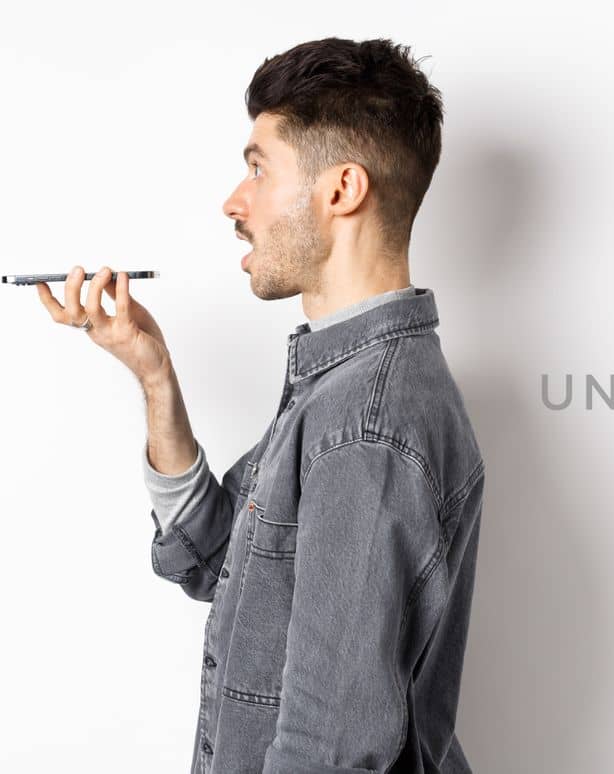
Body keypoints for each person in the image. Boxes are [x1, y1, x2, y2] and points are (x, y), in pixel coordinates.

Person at [32, 37, 484, 774]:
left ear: (341, 190)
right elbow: (216, 560)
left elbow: (330, 749)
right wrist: (154, 374)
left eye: (256, 169)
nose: (233, 203)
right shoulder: (341, 386)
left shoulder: (364, 423)